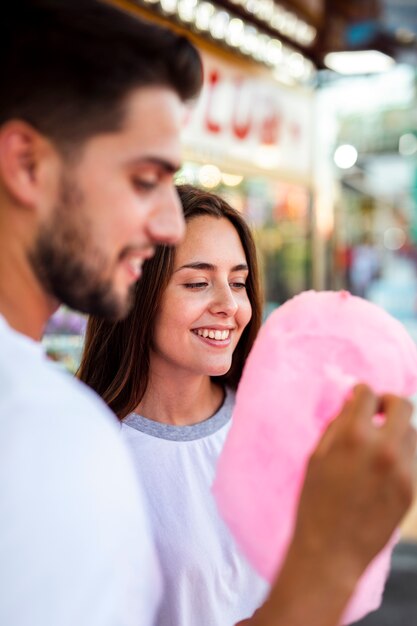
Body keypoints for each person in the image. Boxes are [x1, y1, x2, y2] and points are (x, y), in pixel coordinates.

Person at [0, 1, 415, 626]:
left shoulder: (60, 424)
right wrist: (321, 573)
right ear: (27, 164)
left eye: (240, 281)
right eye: (144, 179)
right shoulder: (56, 434)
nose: (166, 225)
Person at [78, 185, 269, 625]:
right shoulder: (89, 453)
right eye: (198, 282)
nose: (229, 305)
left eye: (238, 282)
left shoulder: (272, 421)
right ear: (135, 293)